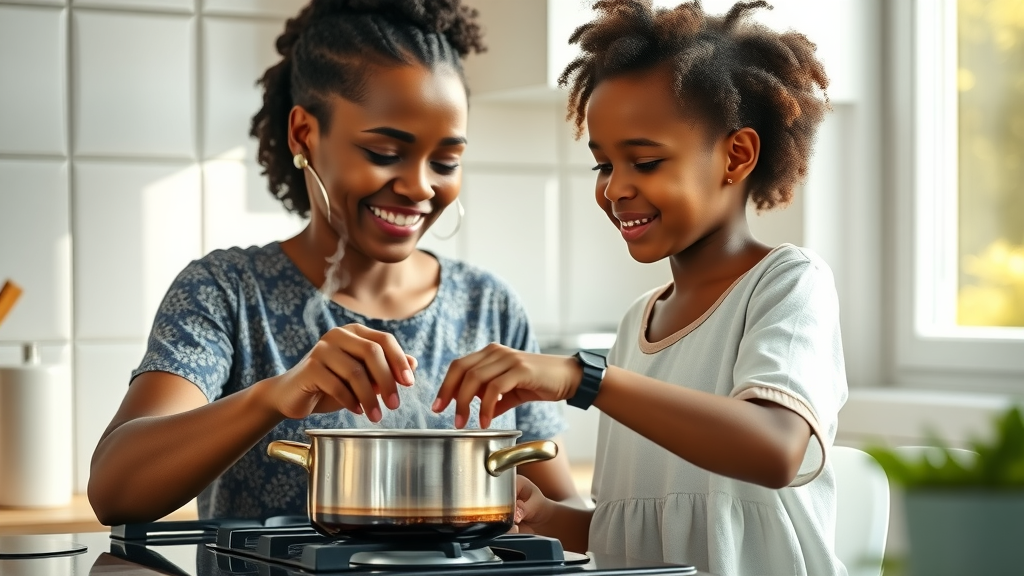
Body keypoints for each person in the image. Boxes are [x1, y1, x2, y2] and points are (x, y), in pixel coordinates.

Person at [88, 0, 577, 526]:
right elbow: (116, 490)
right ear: (304, 134)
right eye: (385, 152)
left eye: (446, 161)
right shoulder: (224, 292)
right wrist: (274, 396)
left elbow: (563, 511)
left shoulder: (490, 308)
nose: (419, 186)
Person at [432, 1, 848, 574]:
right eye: (603, 165)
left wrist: (583, 377)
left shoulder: (786, 284)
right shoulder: (638, 323)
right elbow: (640, 527)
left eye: (646, 162)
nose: (616, 189)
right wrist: (550, 516)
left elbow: (774, 449)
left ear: (737, 155)